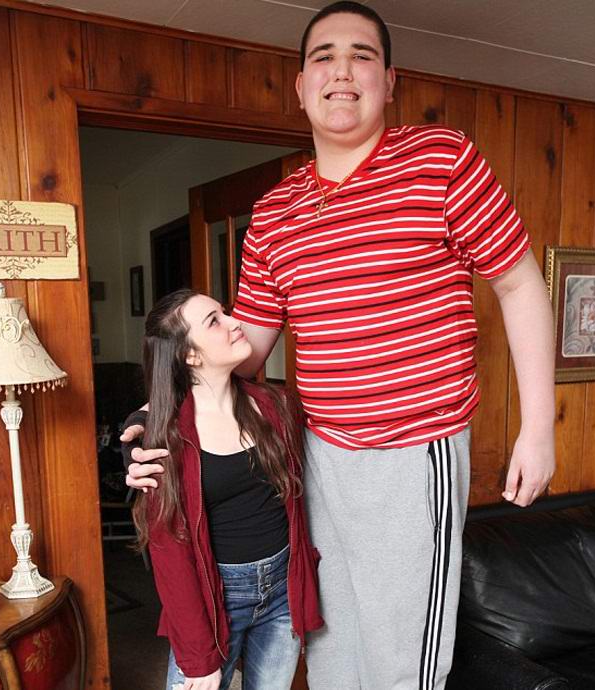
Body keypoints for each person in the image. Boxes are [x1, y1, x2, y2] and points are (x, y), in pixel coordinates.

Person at [123, 3, 555, 688]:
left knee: (400, 664)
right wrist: (161, 417)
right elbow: (243, 350)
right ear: (302, 86)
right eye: (324, 56)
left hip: (415, 452)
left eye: (362, 56)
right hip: (316, 456)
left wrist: (539, 429)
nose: (342, 71)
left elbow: (520, 284)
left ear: (389, 80)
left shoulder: (442, 159)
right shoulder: (274, 212)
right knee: (327, 650)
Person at [131, 288, 322, 690]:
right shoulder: (163, 439)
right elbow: (171, 558)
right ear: (189, 355)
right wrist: (199, 658)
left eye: (226, 312)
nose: (236, 323)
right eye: (215, 321)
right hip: (216, 594)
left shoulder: (275, 405)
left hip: (283, 589)